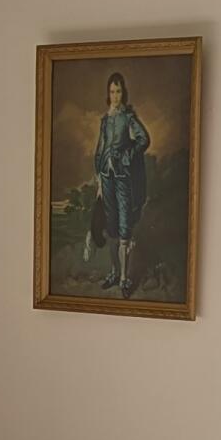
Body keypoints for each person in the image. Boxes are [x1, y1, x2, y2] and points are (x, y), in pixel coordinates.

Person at [92, 71, 149, 293]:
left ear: (123, 93)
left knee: (125, 225)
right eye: (111, 92)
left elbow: (144, 139)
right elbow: (100, 150)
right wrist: (98, 178)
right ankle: (115, 273)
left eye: (118, 91)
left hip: (124, 178)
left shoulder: (128, 118)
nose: (115, 96)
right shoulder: (105, 121)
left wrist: (127, 155)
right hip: (106, 177)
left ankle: (125, 278)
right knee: (111, 225)